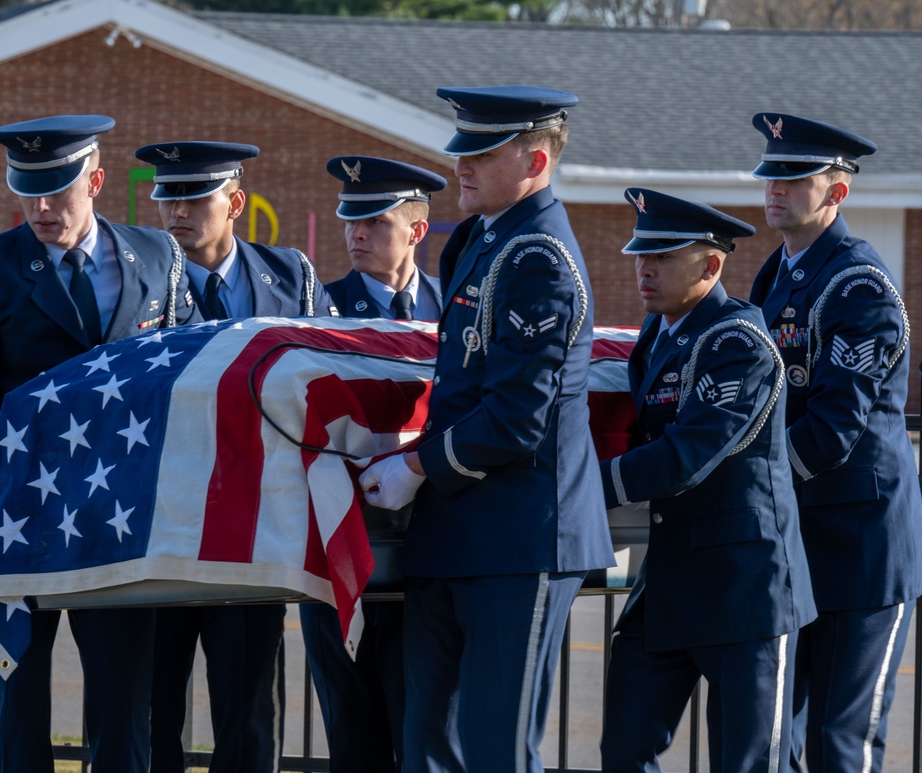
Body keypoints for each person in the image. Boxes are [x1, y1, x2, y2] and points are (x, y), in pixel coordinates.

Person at [0, 115, 199, 773]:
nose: (40, 208)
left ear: (97, 180)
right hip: (19, 517)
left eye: (57, 190)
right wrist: (21, 464)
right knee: (19, 708)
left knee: (123, 701)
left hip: (121, 517)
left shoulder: (159, 257)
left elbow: (187, 376)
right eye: (27, 190)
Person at [357, 85, 614, 772]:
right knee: (428, 744)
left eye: (480, 152)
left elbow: (516, 419)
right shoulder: (479, 238)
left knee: (496, 746)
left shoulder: (539, 259)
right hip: (460, 530)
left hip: (518, 534)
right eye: (460, 149)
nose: (460, 166)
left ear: (534, 159)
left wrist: (413, 467)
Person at [597, 188, 817, 772]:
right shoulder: (659, 335)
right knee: (623, 746)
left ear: (712, 265)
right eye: (642, 255)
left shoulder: (737, 342)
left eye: (664, 257)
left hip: (745, 588)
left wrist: (583, 486)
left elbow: (683, 456)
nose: (645, 268)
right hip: (671, 579)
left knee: (750, 764)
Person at [134, 139, 334, 773]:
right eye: (167, 198)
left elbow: (324, 381)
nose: (176, 213)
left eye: (194, 199)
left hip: (255, 528)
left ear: (235, 202)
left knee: (249, 718)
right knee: (151, 708)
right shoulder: (139, 280)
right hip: (162, 526)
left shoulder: (291, 276)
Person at [748, 113, 922, 773]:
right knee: (778, 740)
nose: (776, 188)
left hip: (863, 551)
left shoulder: (860, 287)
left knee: (839, 745)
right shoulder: (778, 275)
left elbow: (831, 431)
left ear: (837, 193)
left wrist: (746, 481)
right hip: (802, 545)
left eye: (795, 177)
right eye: (772, 174)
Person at [300, 155, 445, 773]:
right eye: (349, 221)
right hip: (342, 547)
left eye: (374, 222)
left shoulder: (456, 309)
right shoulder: (316, 310)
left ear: (415, 231)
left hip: (430, 552)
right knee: (355, 739)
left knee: (425, 732)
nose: (355, 234)